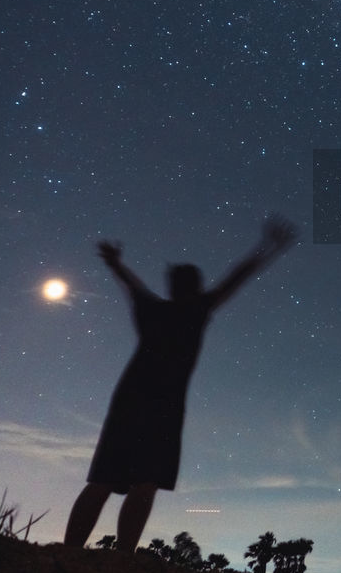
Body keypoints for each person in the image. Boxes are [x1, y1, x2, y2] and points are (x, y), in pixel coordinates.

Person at [64, 215, 297, 550]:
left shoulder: (153, 309)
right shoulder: (196, 311)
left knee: (106, 478)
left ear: (172, 286)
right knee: (146, 480)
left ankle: (71, 552)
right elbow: (236, 278)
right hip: (164, 406)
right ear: (197, 287)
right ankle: (122, 556)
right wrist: (267, 248)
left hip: (130, 399)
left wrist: (116, 264)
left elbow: (133, 286)